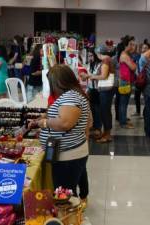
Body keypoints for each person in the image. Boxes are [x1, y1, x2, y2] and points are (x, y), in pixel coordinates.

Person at [36, 64, 91, 204]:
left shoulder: (70, 97)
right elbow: (88, 122)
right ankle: (73, 215)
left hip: (68, 155)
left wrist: (44, 123)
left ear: (57, 83)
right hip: (72, 151)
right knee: (69, 191)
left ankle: (68, 219)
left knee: (64, 196)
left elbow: (65, 123)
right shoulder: (75, 95)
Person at [87, 45, 117, 143]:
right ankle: (106, 133)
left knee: (105, 111)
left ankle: (107, 135)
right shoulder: (109, 59)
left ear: (98, 53)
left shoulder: (105, 61)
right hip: (107, 89)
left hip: (106, 89)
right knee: (105, 111)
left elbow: (103, 76)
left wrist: (91, 76)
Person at [118, 36, 137, 129]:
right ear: (126, 45)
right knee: (123, 103)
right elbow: (133, 67)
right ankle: (123, 123)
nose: (132, 46)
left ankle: (123, 119)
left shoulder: (126, 54)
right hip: (125, 82)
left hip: (125, 81)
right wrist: (134, 64)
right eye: (130, 44)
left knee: (124, 103)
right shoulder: (125, 55)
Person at [83, 48, 102, 139]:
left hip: (98, 90)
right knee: (92, 109)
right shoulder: (89, 65)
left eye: (91, 55)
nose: (90, 57)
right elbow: (88, 77)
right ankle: (94, 126)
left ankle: (98, 128)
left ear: (95, 55)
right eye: (88, 56)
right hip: (91, 89)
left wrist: (88, 76)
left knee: (98, 110)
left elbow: (98, 76)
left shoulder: (100, 65)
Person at [133, 42, 150, 117]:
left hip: (145, 80)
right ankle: (138, 112)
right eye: (143, 48)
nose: (144, 49)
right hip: (138, 79)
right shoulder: (138, 56)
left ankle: (145, 113)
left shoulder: (148, 58)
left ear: (148, 49)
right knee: (136, 96)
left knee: (146, 97)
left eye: (146, 48)